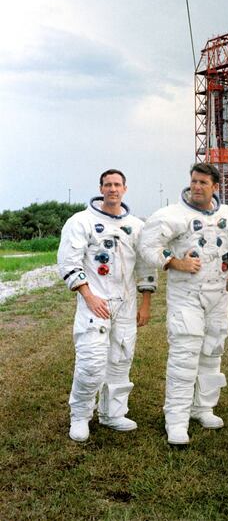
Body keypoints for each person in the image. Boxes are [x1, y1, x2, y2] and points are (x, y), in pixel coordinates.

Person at [140, 163, 228, 445]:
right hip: (187, 294)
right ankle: (176, 421)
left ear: (215, 187)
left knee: (212, 352)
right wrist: (175, 262)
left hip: (218, 295)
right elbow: (146, 245)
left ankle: (203, 408)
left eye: (203, 183)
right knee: (185, 355)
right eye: (194, 181)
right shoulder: (173, 215)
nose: (197, 187)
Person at [58, 169, 157, 442]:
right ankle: (80, 416)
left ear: (125, 188)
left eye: (117, 185)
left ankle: (112, 413)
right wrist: (88, 296)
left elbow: (146, 266)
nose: (112, 189)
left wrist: (145, 304)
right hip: (95, 302)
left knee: (120, 360)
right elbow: (69, 261)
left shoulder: (136, 226)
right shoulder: (82, 222)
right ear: (101, 188)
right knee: (91, 363)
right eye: (108, 185)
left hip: (125, 304)